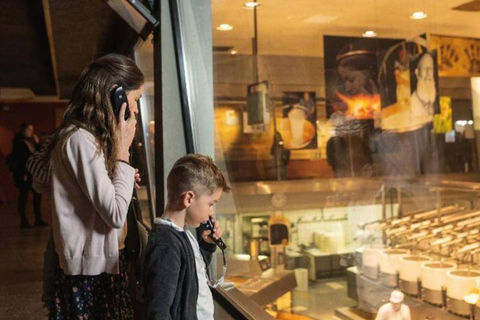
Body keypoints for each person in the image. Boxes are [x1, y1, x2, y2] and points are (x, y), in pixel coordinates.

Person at [31, 53, 144, 319]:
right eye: (136, 99)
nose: (137, 109)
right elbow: (115, 214)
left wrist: (118, 174)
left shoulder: (87, 140)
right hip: (90, 274)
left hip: (99, 267)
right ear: (116, 96)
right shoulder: (81, 140)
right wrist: (123, 152)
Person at [143, 154, 231, 320]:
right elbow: (158, 312)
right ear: (188, 198)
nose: (211, 212)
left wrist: (206, 245)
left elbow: (190, 275)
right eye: (211, 204)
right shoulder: (166, 246)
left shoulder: (182, 235)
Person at [10, 123, 47, 228]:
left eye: (32, 129)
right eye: (29, 130)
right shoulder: (18, 142)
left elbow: (39, 154)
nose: (31, 132)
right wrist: (23, 174)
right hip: (23, 173)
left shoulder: (32, 142)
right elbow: (20, 158)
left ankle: (38, 219)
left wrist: (37, 142)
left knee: (37, 195)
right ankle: (23, 220)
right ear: (23, 130)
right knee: (23, 196)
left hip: (33, 173)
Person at [410, 52, 436, 122]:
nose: (428, 73)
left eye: (430, 68)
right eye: (424, 68)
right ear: (417, 72)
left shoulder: (433, 102)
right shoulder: (412, 105)